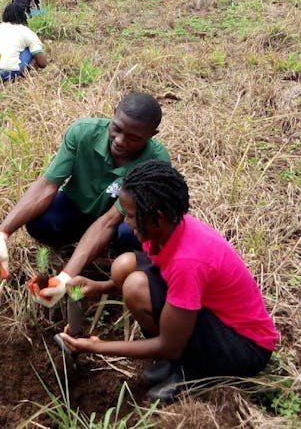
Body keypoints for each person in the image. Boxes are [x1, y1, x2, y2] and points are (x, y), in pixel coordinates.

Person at [58, 161, 278, 403]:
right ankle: (181, 361)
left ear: (157, 218)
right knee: (124, 268)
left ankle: (192, 372)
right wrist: (101, 288)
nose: (126, 222)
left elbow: (168, 345)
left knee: (135, 288)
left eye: (131, 216)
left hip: (243, 347)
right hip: (211, 313)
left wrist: (96, 347)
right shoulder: (165, 232)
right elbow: (161, 276)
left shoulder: (188, 261)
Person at [0, 93, 172, 294]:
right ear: (114, 113)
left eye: (134, 138)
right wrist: (0, 234)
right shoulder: (83, 133)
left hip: (118, 220)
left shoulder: (154, 163)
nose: (121, 141)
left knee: (130, 234)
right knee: (41, 223)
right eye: (117, 128)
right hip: (77, 207)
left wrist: (65, 277)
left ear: (152, 135)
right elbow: (47, 185)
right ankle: (88, 245)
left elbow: (109, 221)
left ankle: (109, 254)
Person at [0, 3, 48, 82]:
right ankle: (23, 74)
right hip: (7, 72)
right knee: (32, 50)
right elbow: (42, 63)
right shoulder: (27, 32)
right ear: (24, 16)